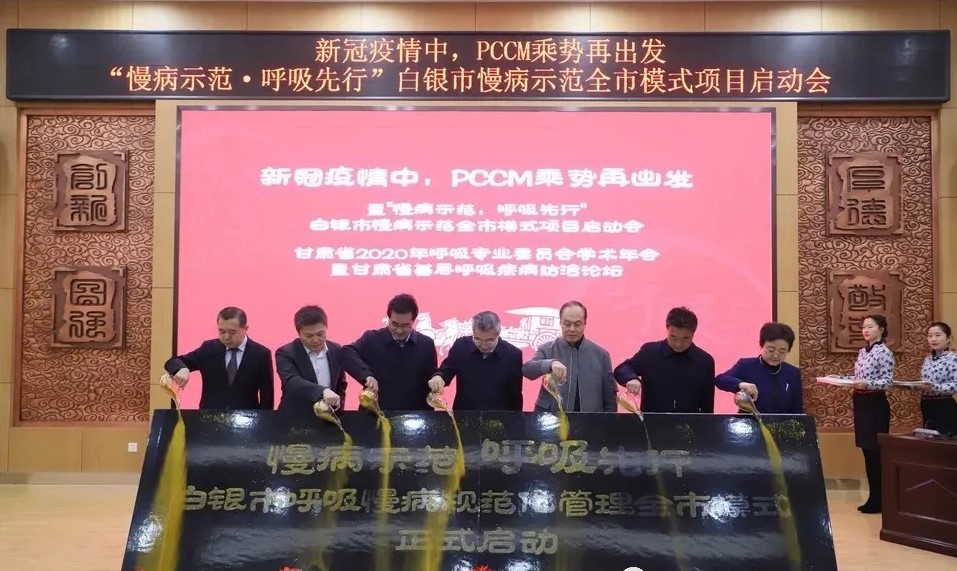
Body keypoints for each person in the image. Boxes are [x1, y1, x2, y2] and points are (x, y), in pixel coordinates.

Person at [163, 306, 274, 410]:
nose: (226, 337)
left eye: (232, 332)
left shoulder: (261, 354)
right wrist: (182, 368)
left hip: (247, 419)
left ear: (245, 329)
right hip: (210, 417)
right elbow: (172, 362)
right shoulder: (208, 349)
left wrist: (264, 421)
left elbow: (267, 397)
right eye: (222, 331)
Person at [341, 293, 437, 411]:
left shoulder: (426, 345)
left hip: (413, 416)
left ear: (413, 321)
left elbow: (431, 382)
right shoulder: (372, 339)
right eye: (394, 324)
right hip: (375, 414)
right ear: (388, 318)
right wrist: (366, 375)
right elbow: (346, 353)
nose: (399, 330)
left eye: (405, 325)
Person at [839, 314, 895, 515]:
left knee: (875, 453)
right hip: (861, 402)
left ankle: (880, 500)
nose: (865, 330)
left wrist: (867, 384)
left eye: (870, 327)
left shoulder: (884, 352)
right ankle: (873, 498)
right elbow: (860, 377)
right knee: (867, 452)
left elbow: (887, 381)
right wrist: (842, 379)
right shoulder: (863, 351)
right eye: (863, 327)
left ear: (881, 329)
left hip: (875, 404)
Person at [615, 306, 716, 413]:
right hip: (652, 421)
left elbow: (707, 407)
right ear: (667, 329)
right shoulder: (649, 353)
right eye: (673, 337)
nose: (678, 344)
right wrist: (631, 378)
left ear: (693, 333)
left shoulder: (704, 362)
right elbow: (622, 369)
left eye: (685, 338)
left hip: (689, 423)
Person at [522, 301, 617, 413]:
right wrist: (550, 364)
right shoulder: (547, 349)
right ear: (560, 323)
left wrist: (611, 421)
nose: (572, 329)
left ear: (585, 323)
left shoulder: (601, 355)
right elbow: (527, 370)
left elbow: (610, 399)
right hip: (551, 418)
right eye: (567, 324)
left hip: (590, 420)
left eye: (577, 324)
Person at [428, 311, 523, 411]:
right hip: (464, 413)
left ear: (498, 333)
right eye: (478, 339)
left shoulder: (512, 355)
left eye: (490, 340)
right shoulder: (462, 346)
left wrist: (516, 418)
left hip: (498, 415)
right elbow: (447, 369)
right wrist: (439, 377)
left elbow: (515, 395)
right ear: (473, 332)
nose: (484, 345)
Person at [715, 322, 803, 414]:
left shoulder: (793, 373)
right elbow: (720, 380)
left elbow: (797, 409)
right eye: (771, 350)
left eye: (782, 352)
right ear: (762, 345)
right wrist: (741, 384)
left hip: (781, 422)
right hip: (749, 421)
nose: (776, 355)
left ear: (788, 350)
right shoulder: (746, 365)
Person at [275, 305, 347, 415]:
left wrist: (338, 408)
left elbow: (341, 384)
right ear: (299, 333)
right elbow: (291, 380)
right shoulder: (286, 353)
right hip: (295, 415)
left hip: (329, 415)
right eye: (309, 336)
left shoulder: (336, 349)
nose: (316, 340)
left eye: (320, 334)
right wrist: (323, 391)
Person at [919, 321, 957, 435]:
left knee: (945, 441)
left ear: (948, 338)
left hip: (943, 406)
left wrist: (935, 387)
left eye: (938, 335)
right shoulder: (928, 359)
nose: (933, 339)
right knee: (929, 440)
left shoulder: (953, 358)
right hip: (926, 404)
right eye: (930, 336)